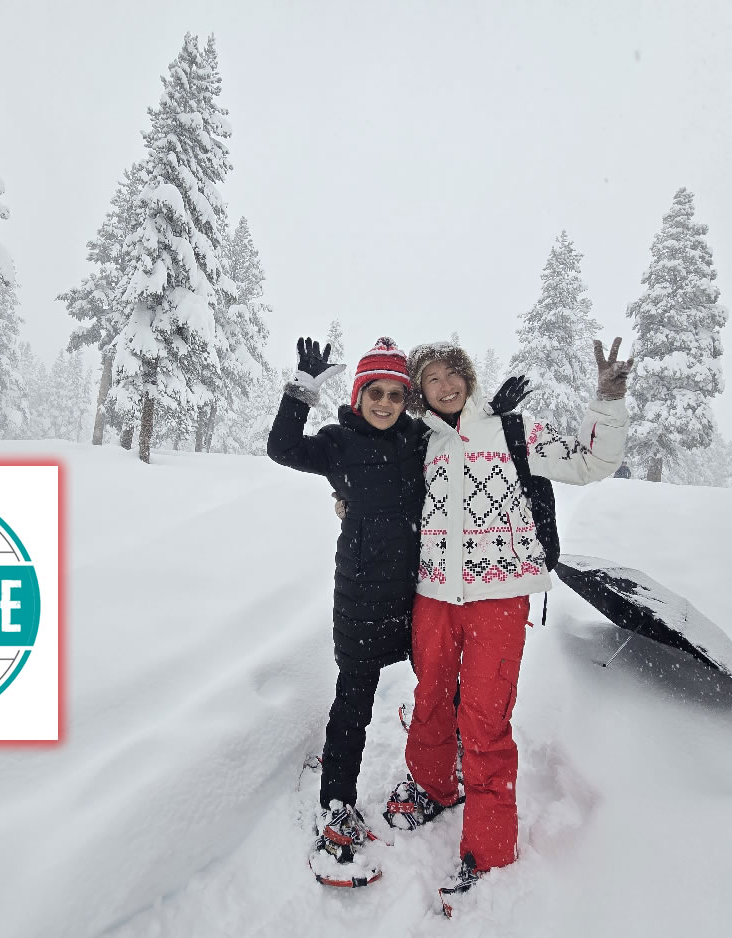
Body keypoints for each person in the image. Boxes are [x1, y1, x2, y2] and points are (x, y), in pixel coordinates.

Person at [383, 338, 631, 909]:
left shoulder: (512, 431)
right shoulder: (421, 442)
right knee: (431, 698)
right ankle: (434, 787)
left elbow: (591, 463)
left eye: (452, 373)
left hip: (499, 596)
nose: (444, 385)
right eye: (431, 379)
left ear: (468, 376)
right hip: (433, 595)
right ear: (420, 392)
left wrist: (608, 401)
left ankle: (489, 851)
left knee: (485, 718)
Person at [266, 335, 427, 885]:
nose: (384, 403)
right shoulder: (338, 442)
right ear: (358, 396)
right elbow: (283, 448)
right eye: (374, 392)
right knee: (353, 701)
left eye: (395, 394)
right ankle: (336, 806)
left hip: (418, 593)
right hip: (360, 593)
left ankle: (434, 774)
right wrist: (300, 391)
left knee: (437, 686)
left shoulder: (418, 440)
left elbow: (465, 448)